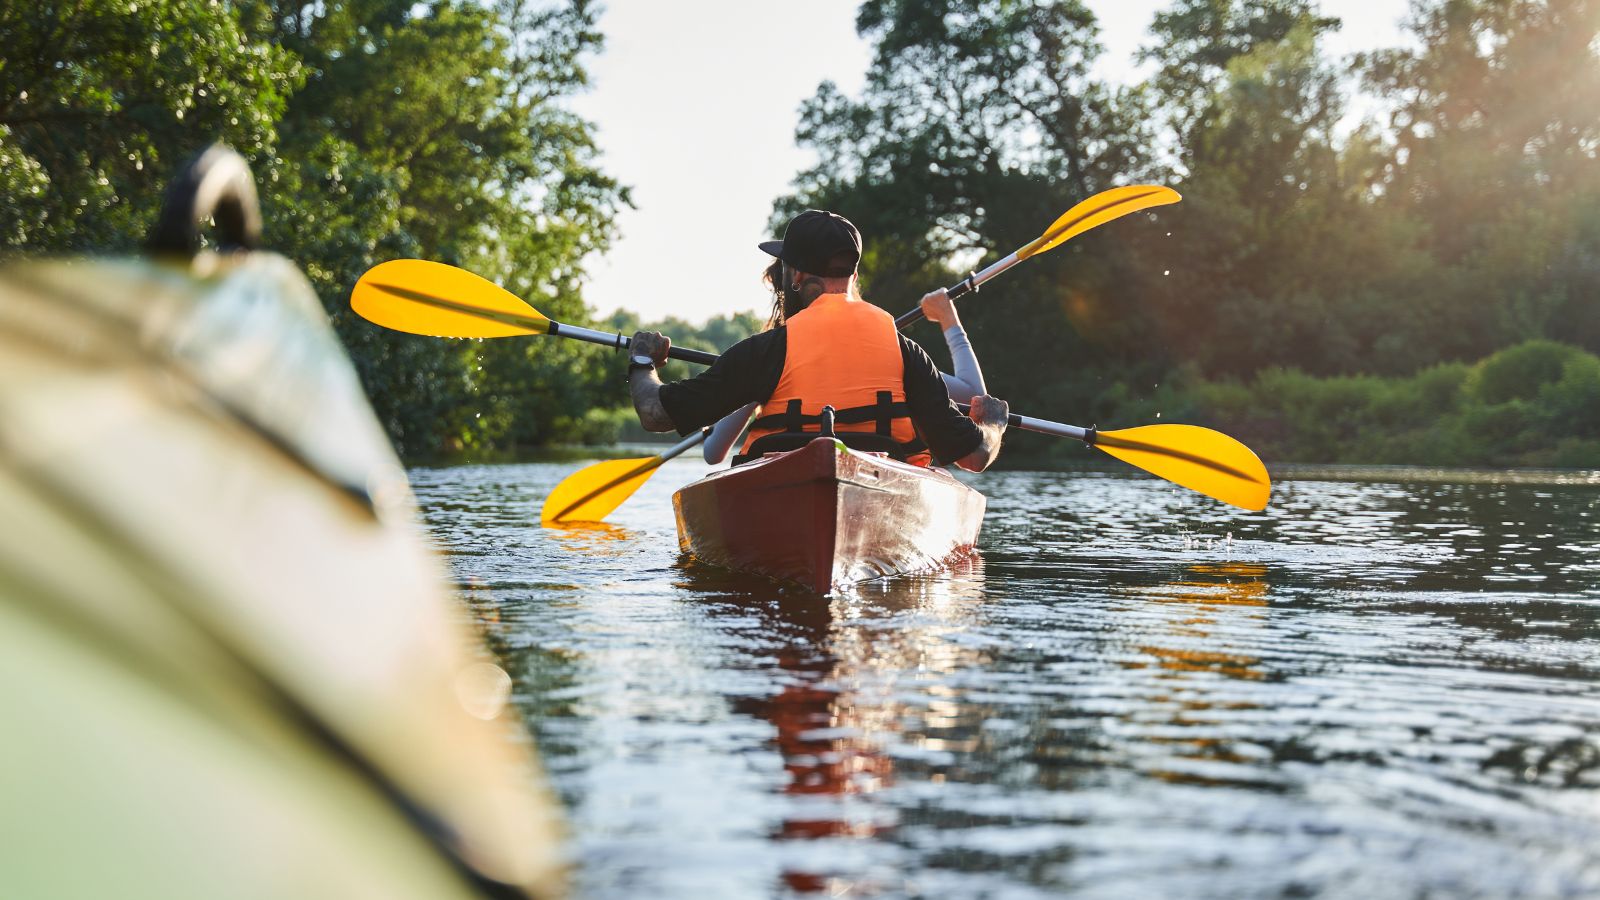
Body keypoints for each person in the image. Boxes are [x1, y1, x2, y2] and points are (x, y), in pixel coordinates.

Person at [625, 209, 1007, 472]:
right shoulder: (906, 352)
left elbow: (654, 414)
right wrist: (992, 425)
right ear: (854, 277)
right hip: (882, 491)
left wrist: (643, 360)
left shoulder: (765, 352)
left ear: (794, 276)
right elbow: (974, 457)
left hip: (778, 493)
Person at [696, 272, 987, 464]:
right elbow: (974, 395)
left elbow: (713, 453)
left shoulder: (766, 357)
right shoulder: (890, 349)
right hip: (881, 476)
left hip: (786, 480)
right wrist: (949, 318)